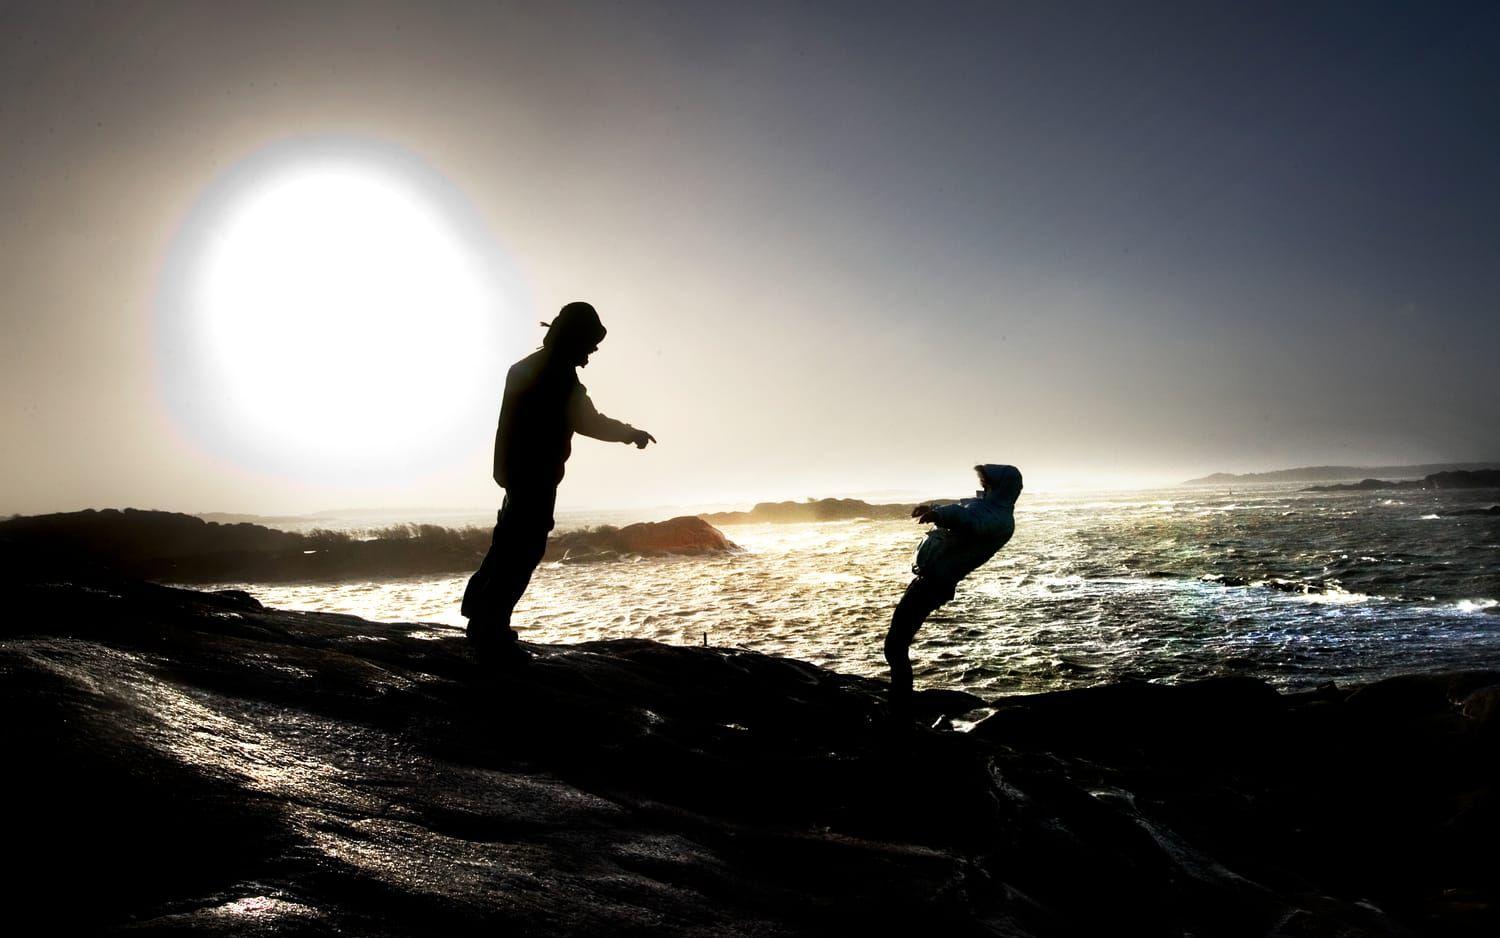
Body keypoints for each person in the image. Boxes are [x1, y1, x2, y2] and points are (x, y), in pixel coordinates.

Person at [461, 301, 655, 663]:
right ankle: (491, 628)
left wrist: (504, 471)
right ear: (574, 338)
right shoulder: (558, 374)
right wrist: (631, 434)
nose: (593, 351)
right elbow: (589, 421)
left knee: (506, 545)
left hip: (516, 474)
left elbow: (508, 427)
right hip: (536, 475)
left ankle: (478, 617)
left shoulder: (524, 368)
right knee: (524, 549)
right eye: (590, 342)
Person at [885, 464, 1022, 713]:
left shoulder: (999, 519)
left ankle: (899, 708)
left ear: (999, 486)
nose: (983, 486)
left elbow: (969, 520)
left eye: (986, 482)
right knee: (896, 643)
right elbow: (965, 510)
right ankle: (899, 703)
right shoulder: (989, 508)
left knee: (895, 644)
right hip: (930, 580)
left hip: (935, 584)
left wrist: (940, 515)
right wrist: (934, 509)